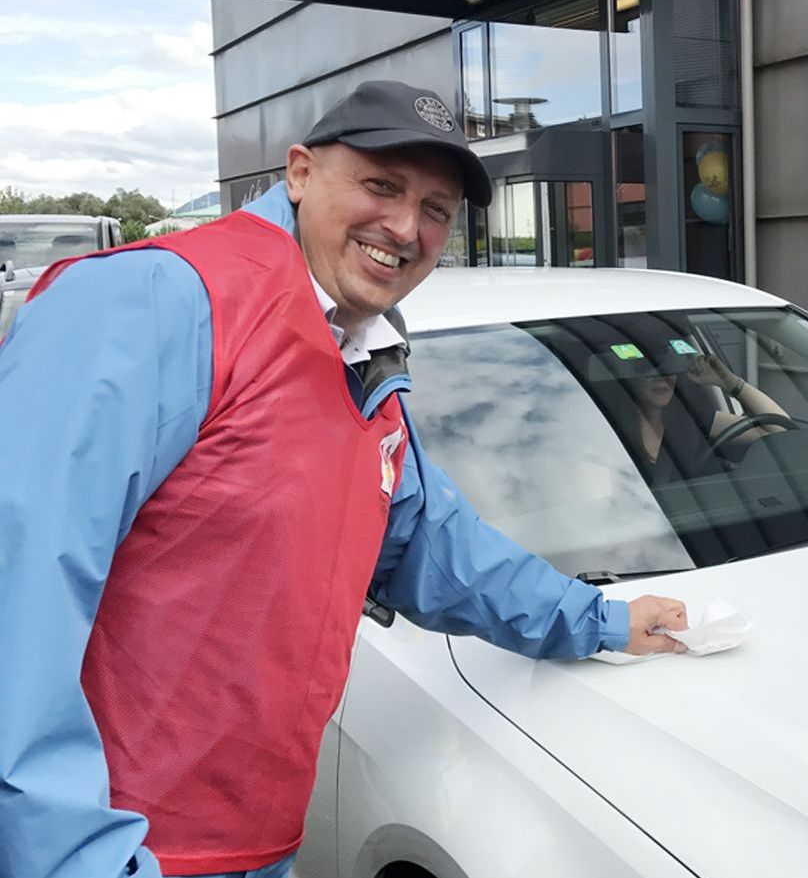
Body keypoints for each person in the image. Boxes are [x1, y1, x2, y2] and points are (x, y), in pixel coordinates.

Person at [0, 80, 689, 878]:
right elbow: (21, 589)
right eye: (381, 185)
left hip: (258, 845)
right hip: (125, 853)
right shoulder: (153, 298)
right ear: (299, 173)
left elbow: (429, 545)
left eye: (435, 208)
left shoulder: (362, 352)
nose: (405, 227)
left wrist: (599, 620)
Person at [624, 352, 789, 483]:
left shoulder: (692, 420)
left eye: (670, 369)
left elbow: (781, 431)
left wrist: (729, 382)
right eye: (647, 369)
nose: (663, 378)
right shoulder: (613, 431)